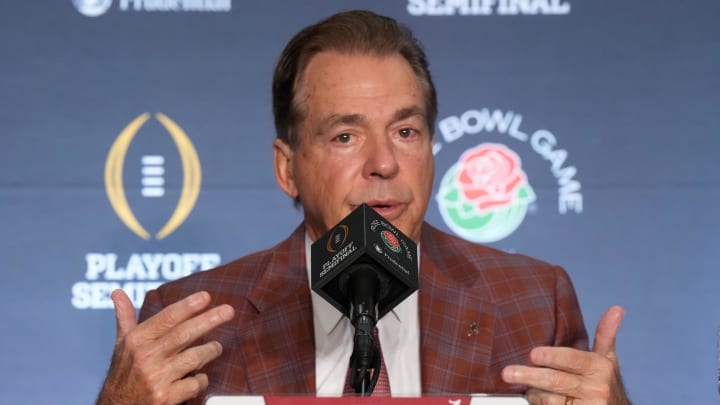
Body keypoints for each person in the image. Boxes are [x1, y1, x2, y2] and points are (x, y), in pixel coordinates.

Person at [97, 10, 631, 405]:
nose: (384, 163)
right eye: (346, 136)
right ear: (288, 169)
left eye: (405, 131)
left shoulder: (533, 304)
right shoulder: (196, 322)